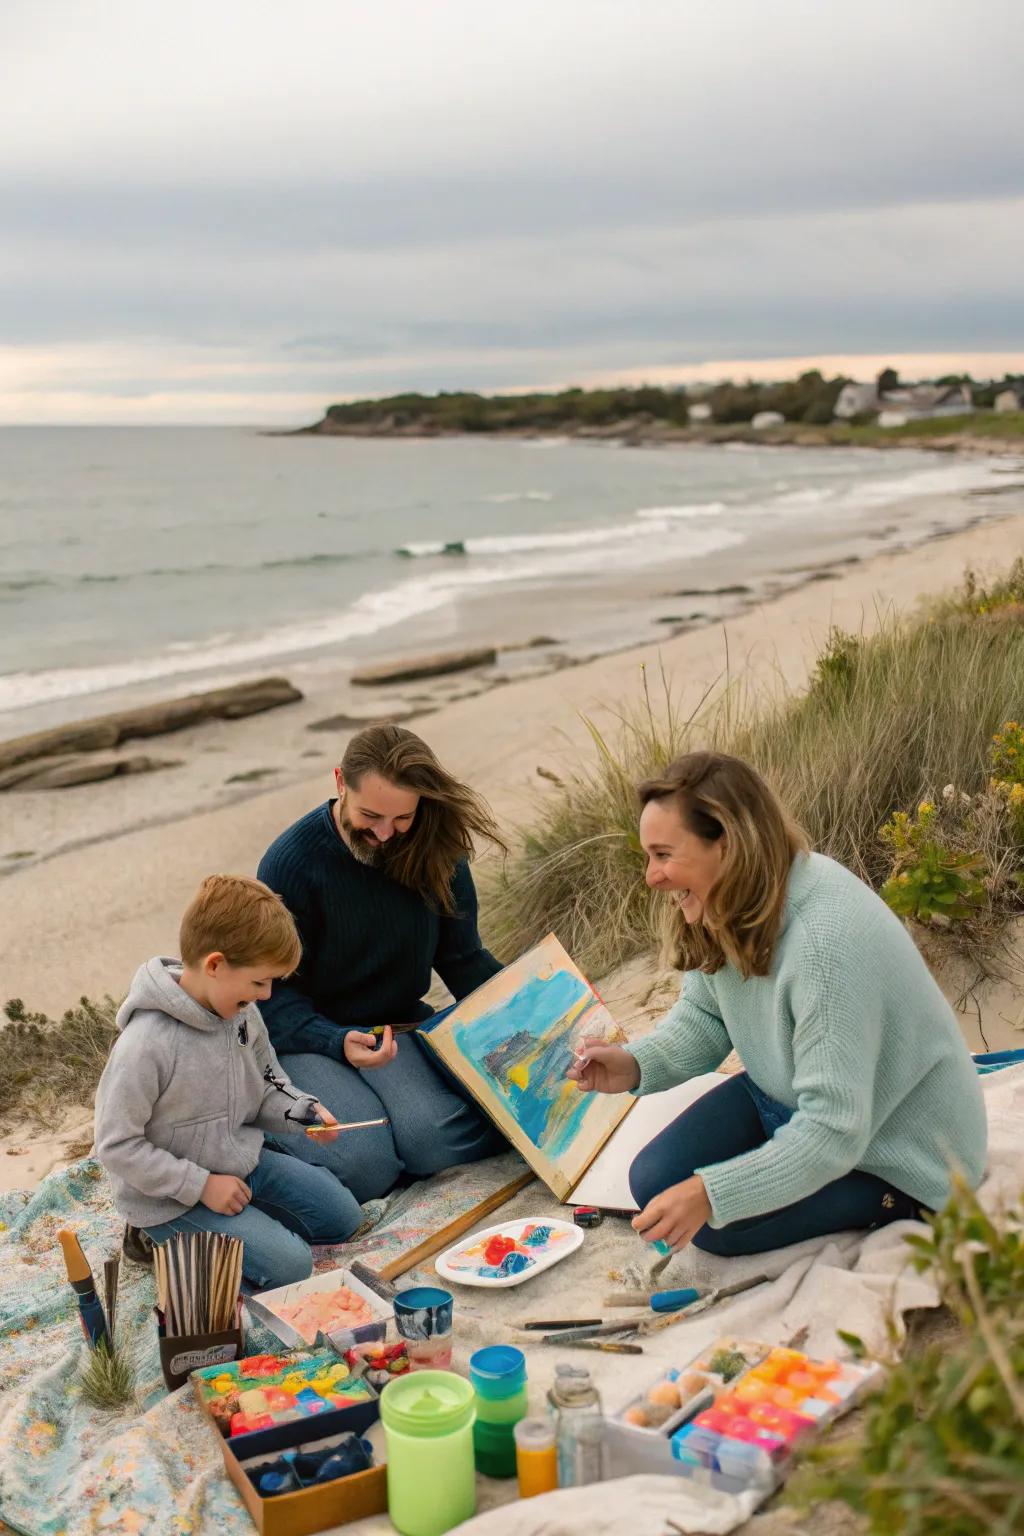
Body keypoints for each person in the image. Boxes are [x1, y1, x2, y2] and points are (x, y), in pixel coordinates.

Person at [569, 751, 987, 1257]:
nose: (651, 876)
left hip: (895, 1152)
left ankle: (891, 1203)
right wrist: (634, 1065)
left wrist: (713, 1192)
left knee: (714, 1225)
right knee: (654, 1181)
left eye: (663, 855)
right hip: (793, 1099)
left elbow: (834, 1128)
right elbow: (706, 1015)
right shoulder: (729, 899)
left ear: (726, 843)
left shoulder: (823, 943)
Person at [256, 722, 508, 1205]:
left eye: (402, 818)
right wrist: (335, 1041)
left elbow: (462, 958)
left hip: (394, 1028)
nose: (385, 834)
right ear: (338, 783)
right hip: (308, 1037)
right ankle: (261, 1138)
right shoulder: (291, 864)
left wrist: (532, 1009)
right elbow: (273, 994)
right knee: (364, 1166)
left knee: (431, 1141)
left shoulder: (438, 848)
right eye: (370, 815)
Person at [94, 875, 360, 1290]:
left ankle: (238, 1227)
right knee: (291, 1268)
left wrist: (302, 1111)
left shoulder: (243, 1013)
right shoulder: (145, 1045)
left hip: (238, 1162)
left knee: (343, 1218)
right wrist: (200, 1186)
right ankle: (148, 1235)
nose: (268, 995)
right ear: (215, 965)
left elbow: (270, 1081)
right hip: (169, 1196)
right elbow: (115, 1145)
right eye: (259, 982)